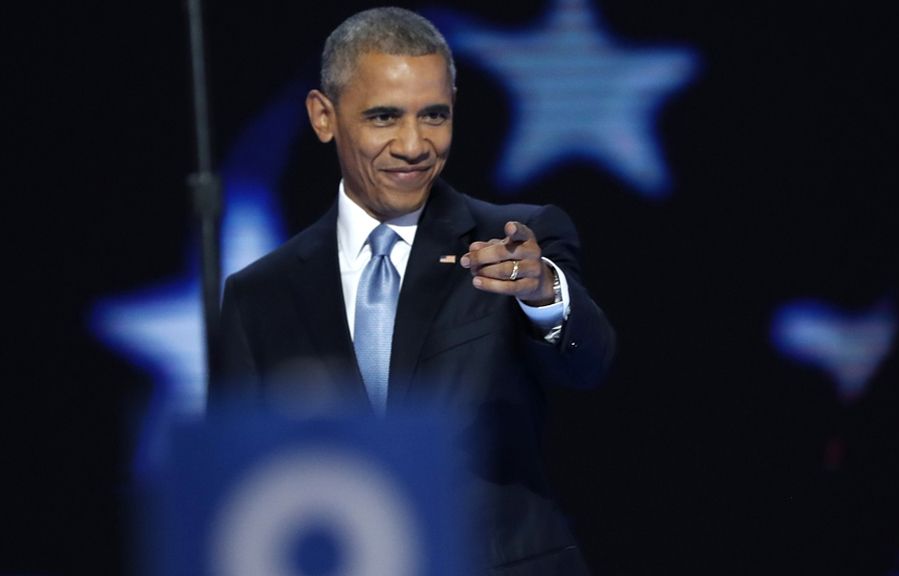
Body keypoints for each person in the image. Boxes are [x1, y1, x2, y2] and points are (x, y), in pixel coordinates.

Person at [212, 6, 616, 574]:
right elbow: (240, 480)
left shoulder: (516, 241)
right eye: (383, 117)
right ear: (323, 117)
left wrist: (544, 290)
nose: (414, 144)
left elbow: (589, 363)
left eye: (434, 115)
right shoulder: (260, 296)